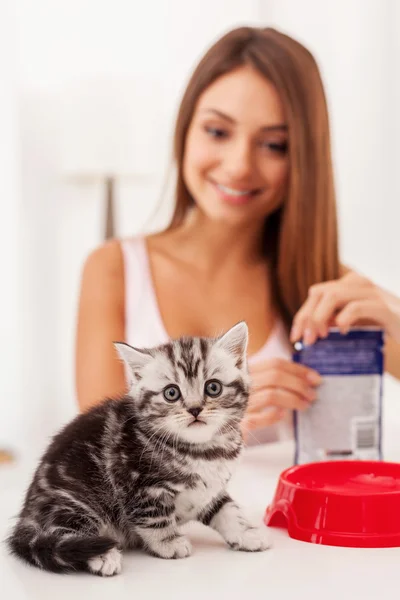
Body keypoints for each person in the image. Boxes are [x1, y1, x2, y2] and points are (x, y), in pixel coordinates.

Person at [75, 26, 400, 444]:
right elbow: (96, 461)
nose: (238, 166)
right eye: (218, 132)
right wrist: (217, 427)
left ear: (303, 158)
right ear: (186, 129)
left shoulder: (328, 289)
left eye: (274, 145)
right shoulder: (115, 269)